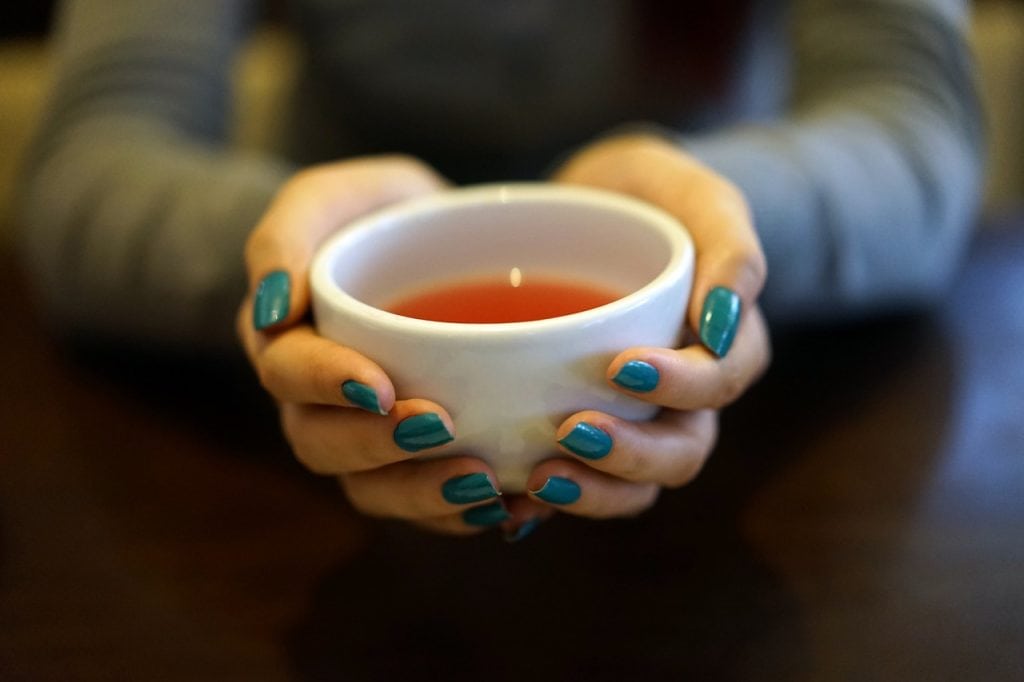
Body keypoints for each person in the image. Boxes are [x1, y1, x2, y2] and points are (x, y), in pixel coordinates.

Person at [16, 0, 983, 538]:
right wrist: (298, 260)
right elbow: (92, 156)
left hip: (762, 451)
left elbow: (916, 119)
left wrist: (715, 233)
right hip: (312, 454)